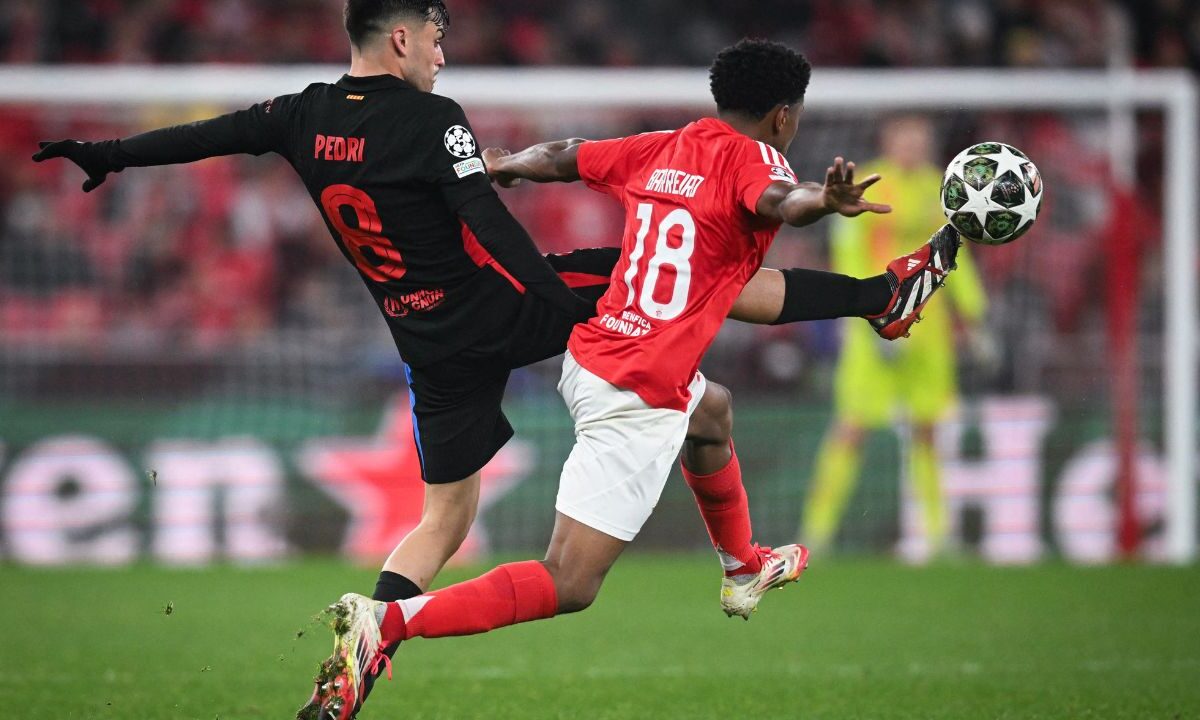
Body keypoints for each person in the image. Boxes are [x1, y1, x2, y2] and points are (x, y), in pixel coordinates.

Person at [31, 0, 944, 622]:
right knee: (666, 277)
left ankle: (368, 638)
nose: (442, 51)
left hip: (422, 339)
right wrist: (557, 298)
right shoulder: (437, 121)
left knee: (446, 516)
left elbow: (208, 135)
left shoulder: (300, 115)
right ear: (399, 41)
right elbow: (489, 225)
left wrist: (111, 153)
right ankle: (879, 299)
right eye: (434, 35)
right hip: (502, 307)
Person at [305, 38, 963, 720]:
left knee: (712, 411)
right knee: (570, 581)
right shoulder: (759, 160)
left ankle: (742, 566)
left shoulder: (664, 146)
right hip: (640, 387)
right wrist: (819, 202)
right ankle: (390, 623)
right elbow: (777, 199)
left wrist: (505, 166)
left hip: (596, 352)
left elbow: (565, 154)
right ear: (782, 117)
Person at [800, 115, 988, 559]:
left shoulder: (941, 189)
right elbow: (848, 253)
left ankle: (940, 539)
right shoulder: (867, 186)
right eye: (905, 138)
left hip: (930, 331)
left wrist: (976, 320)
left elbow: (955, 257)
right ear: (888, 140)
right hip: (875, 326)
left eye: (920, 139)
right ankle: (816, 534)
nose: (913, 146)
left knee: (926, 431)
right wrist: (861, 315)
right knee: (851, 429)